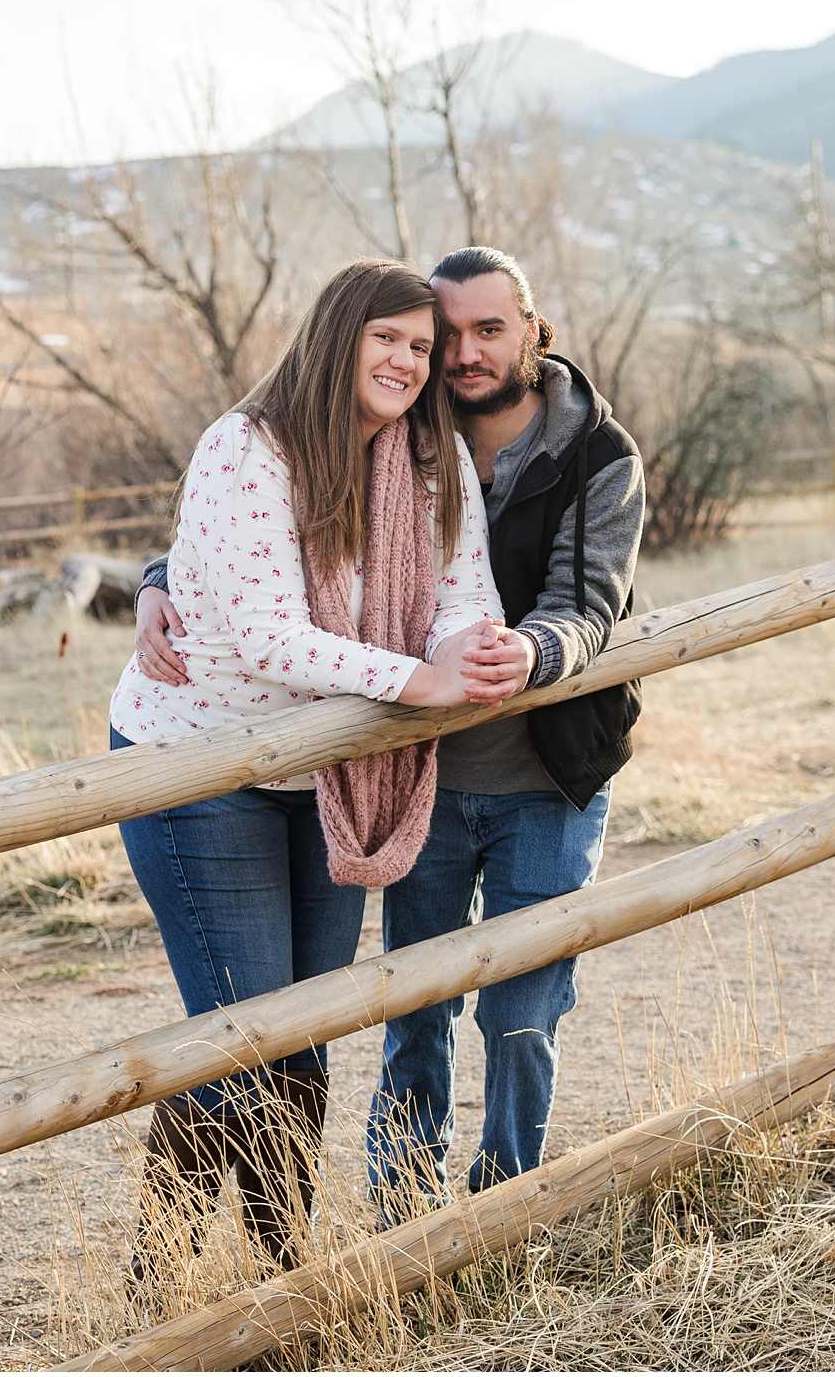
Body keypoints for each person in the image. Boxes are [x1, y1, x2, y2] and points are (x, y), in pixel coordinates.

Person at [134, 245, 645, 1214]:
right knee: (322, 1019)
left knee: (484, 1012)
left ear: (534, 330)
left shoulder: (576, 452)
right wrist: (157, 581)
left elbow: (558, 597)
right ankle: (302, 1248)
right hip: (355, 762)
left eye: (478, 331)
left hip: (499, 763)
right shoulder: (382, 425)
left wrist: (515, 651)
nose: (448, 354)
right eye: (424, 336)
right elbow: (243, 555)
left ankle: (495, 1211)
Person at [108, 258, 529, 1281]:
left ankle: (281, 1283)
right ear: (336, 334)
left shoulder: (428, 458)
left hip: (329, 772)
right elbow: (258, 630)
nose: (406, 361)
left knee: (301, 1035)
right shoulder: (246, 448)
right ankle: (176, 1281)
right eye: (386, 337)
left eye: (420, 347)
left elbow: (461, 587)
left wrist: (471, 648)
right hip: (201, 765)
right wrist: (417, 682)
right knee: (240, 1030)